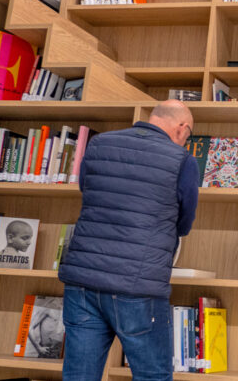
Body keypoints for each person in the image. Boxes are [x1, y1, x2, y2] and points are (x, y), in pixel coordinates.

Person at [58, 100, 199, 381]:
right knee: (152, 376)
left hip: (83, 281)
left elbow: (88, 193)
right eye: (189, 134)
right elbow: (183, 223)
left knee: (79, 376)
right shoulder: (182, 160)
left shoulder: (99, 145)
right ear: (182, 128)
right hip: (138, 285)